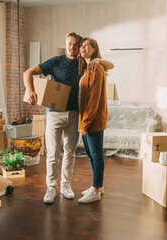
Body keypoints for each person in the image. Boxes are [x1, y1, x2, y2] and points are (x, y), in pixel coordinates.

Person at [23, 32, 113, 204]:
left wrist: (98, 60)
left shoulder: (84, 63)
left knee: (70, 153)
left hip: (74, 115)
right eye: (70, 44)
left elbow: (110, 65)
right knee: (53, 153)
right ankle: (51, 187)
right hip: (54, 114)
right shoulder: (55, 61)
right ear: (66, 43)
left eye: (76, 45)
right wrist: (30, 90)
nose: (73, 47)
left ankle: (66, 185)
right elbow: (28, 72)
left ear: (80, 47)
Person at [77, 37, 108, 204]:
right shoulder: (88, 68)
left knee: (96, 155)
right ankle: (98, 186)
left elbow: (93, 100)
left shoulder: (96, 69)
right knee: (91, 154)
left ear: (94, 49)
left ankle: (95, 190)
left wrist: (85, 123)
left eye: (87, 45)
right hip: (86, 120)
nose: (83, 47)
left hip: (92, 121)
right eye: (81, 45)